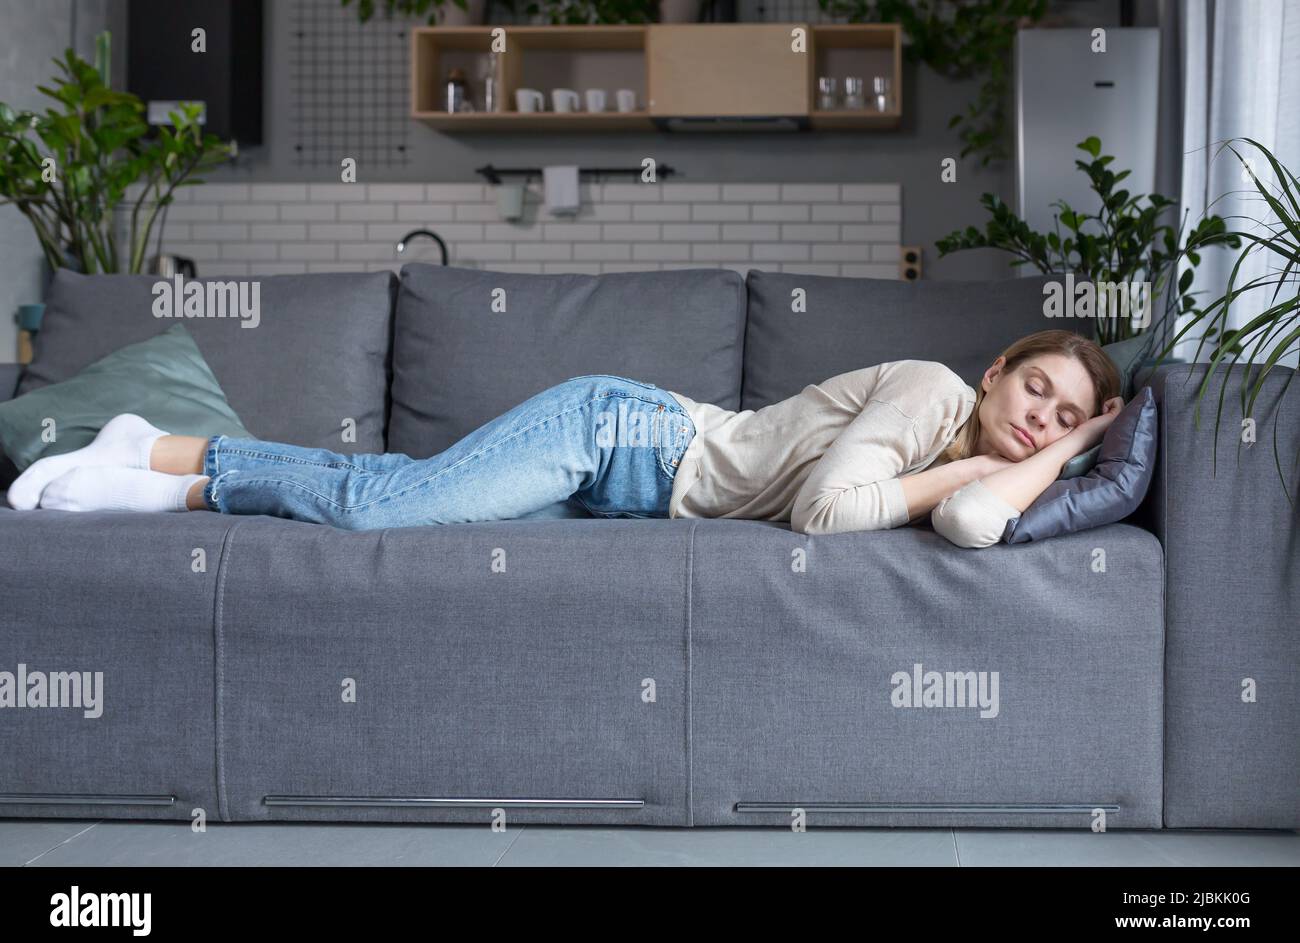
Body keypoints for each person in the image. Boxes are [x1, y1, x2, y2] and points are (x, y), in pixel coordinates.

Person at [7, 329, 1123, 548]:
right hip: (621, 436)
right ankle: (155, 446)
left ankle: (167, 473)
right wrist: (986, 462)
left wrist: (1034, 466)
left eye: (1063, 420)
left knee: (402, 486)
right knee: (385, 509)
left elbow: (978, 525)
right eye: (1035, 389)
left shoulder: (976, 457)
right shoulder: (932, 394)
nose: (1038, 416)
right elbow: (826, 510)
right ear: (994, 371)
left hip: (641, 484)